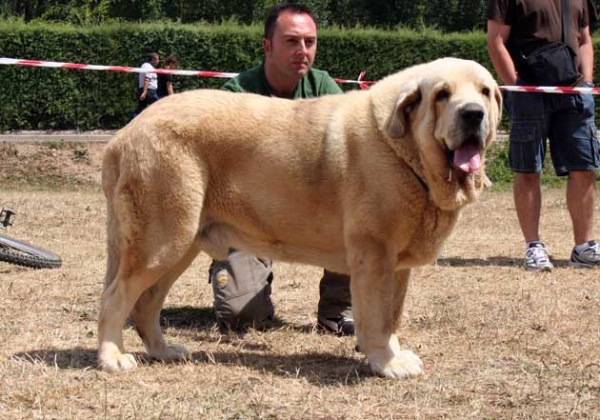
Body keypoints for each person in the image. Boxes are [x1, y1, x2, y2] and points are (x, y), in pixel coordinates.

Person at [208, 3, 354, 336]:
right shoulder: (236, 96)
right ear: (267, 46)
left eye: (310, 42)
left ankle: (337, 310)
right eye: (291, 41)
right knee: (242, 320)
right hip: (247, 218)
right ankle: (245, 284)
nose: (302, 50)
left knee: (359, 211)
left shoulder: (326, 90)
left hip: (310, 208)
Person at [487, 0, 600, 271]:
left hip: (574, 93)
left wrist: (586, 82)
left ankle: (583, 248)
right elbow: (496, 41)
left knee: (584, 166)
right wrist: (517, 86)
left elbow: (584, 40)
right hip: (529, 91)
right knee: (527, 169)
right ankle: (533, 246)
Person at [132, 52, 159, 118]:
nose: (158, 61)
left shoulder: (144, 65)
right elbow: (147, 79)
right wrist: (145, 92)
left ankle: (132, 120)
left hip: (145, 89)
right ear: (153, 59)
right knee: (158, 107)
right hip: (149, 91)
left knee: (141, 108)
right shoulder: (149, 67)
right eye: (157, 59)